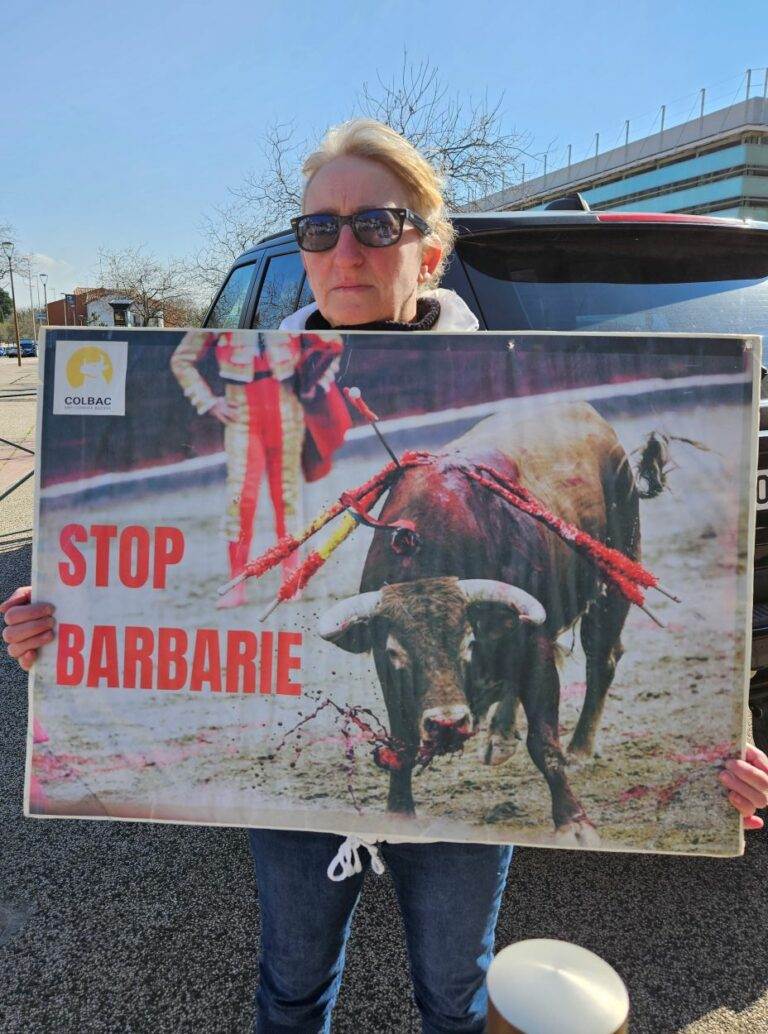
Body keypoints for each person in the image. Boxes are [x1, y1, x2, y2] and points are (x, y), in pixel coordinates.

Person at [3, 119, 768, 1034]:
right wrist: (62, 633)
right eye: (318, 229)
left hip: (464, 810)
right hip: (299, 809)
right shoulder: (272, 388)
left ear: (430, 253)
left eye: (379, 223)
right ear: (302, 251)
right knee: (290, 985)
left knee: (453, 993)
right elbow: (145, 596)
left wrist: (730, 734)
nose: (344, 249)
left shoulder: (512, 425)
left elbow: (716, 628)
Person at [169, 328, 351, 606]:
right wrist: (206, 401)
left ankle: (291, 576)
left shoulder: (291, 314)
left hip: (286, 404)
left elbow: (333, 344)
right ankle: (236, 582)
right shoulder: (227, 313)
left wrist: (317, 383)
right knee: (241, 497)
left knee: (287, 496)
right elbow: (181, 359)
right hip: (241, 410)